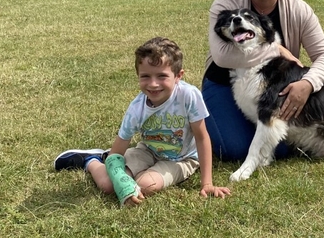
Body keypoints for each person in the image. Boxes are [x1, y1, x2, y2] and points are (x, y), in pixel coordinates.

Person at [202, 0, 324, 162]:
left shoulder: (299, 10)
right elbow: (222, 56)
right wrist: (278, 50)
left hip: (270, 89)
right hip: (224, 84)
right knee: (235, 149)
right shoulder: (226, 4)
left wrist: (307, 83)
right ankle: (199, 115)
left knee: (281, 149)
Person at [54, 37, 231, 205]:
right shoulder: (136, 108)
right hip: (147, 150)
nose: (153, 84)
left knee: (146, 185)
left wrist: (207, 183)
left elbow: (201, 137)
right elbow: (117, 153)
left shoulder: (189, 96)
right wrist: (120, 179)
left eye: (162, 76)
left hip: (182, 158)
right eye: (145, 76)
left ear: (178, 76)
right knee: (108, 185)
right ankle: (92, 161)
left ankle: (105, 162)